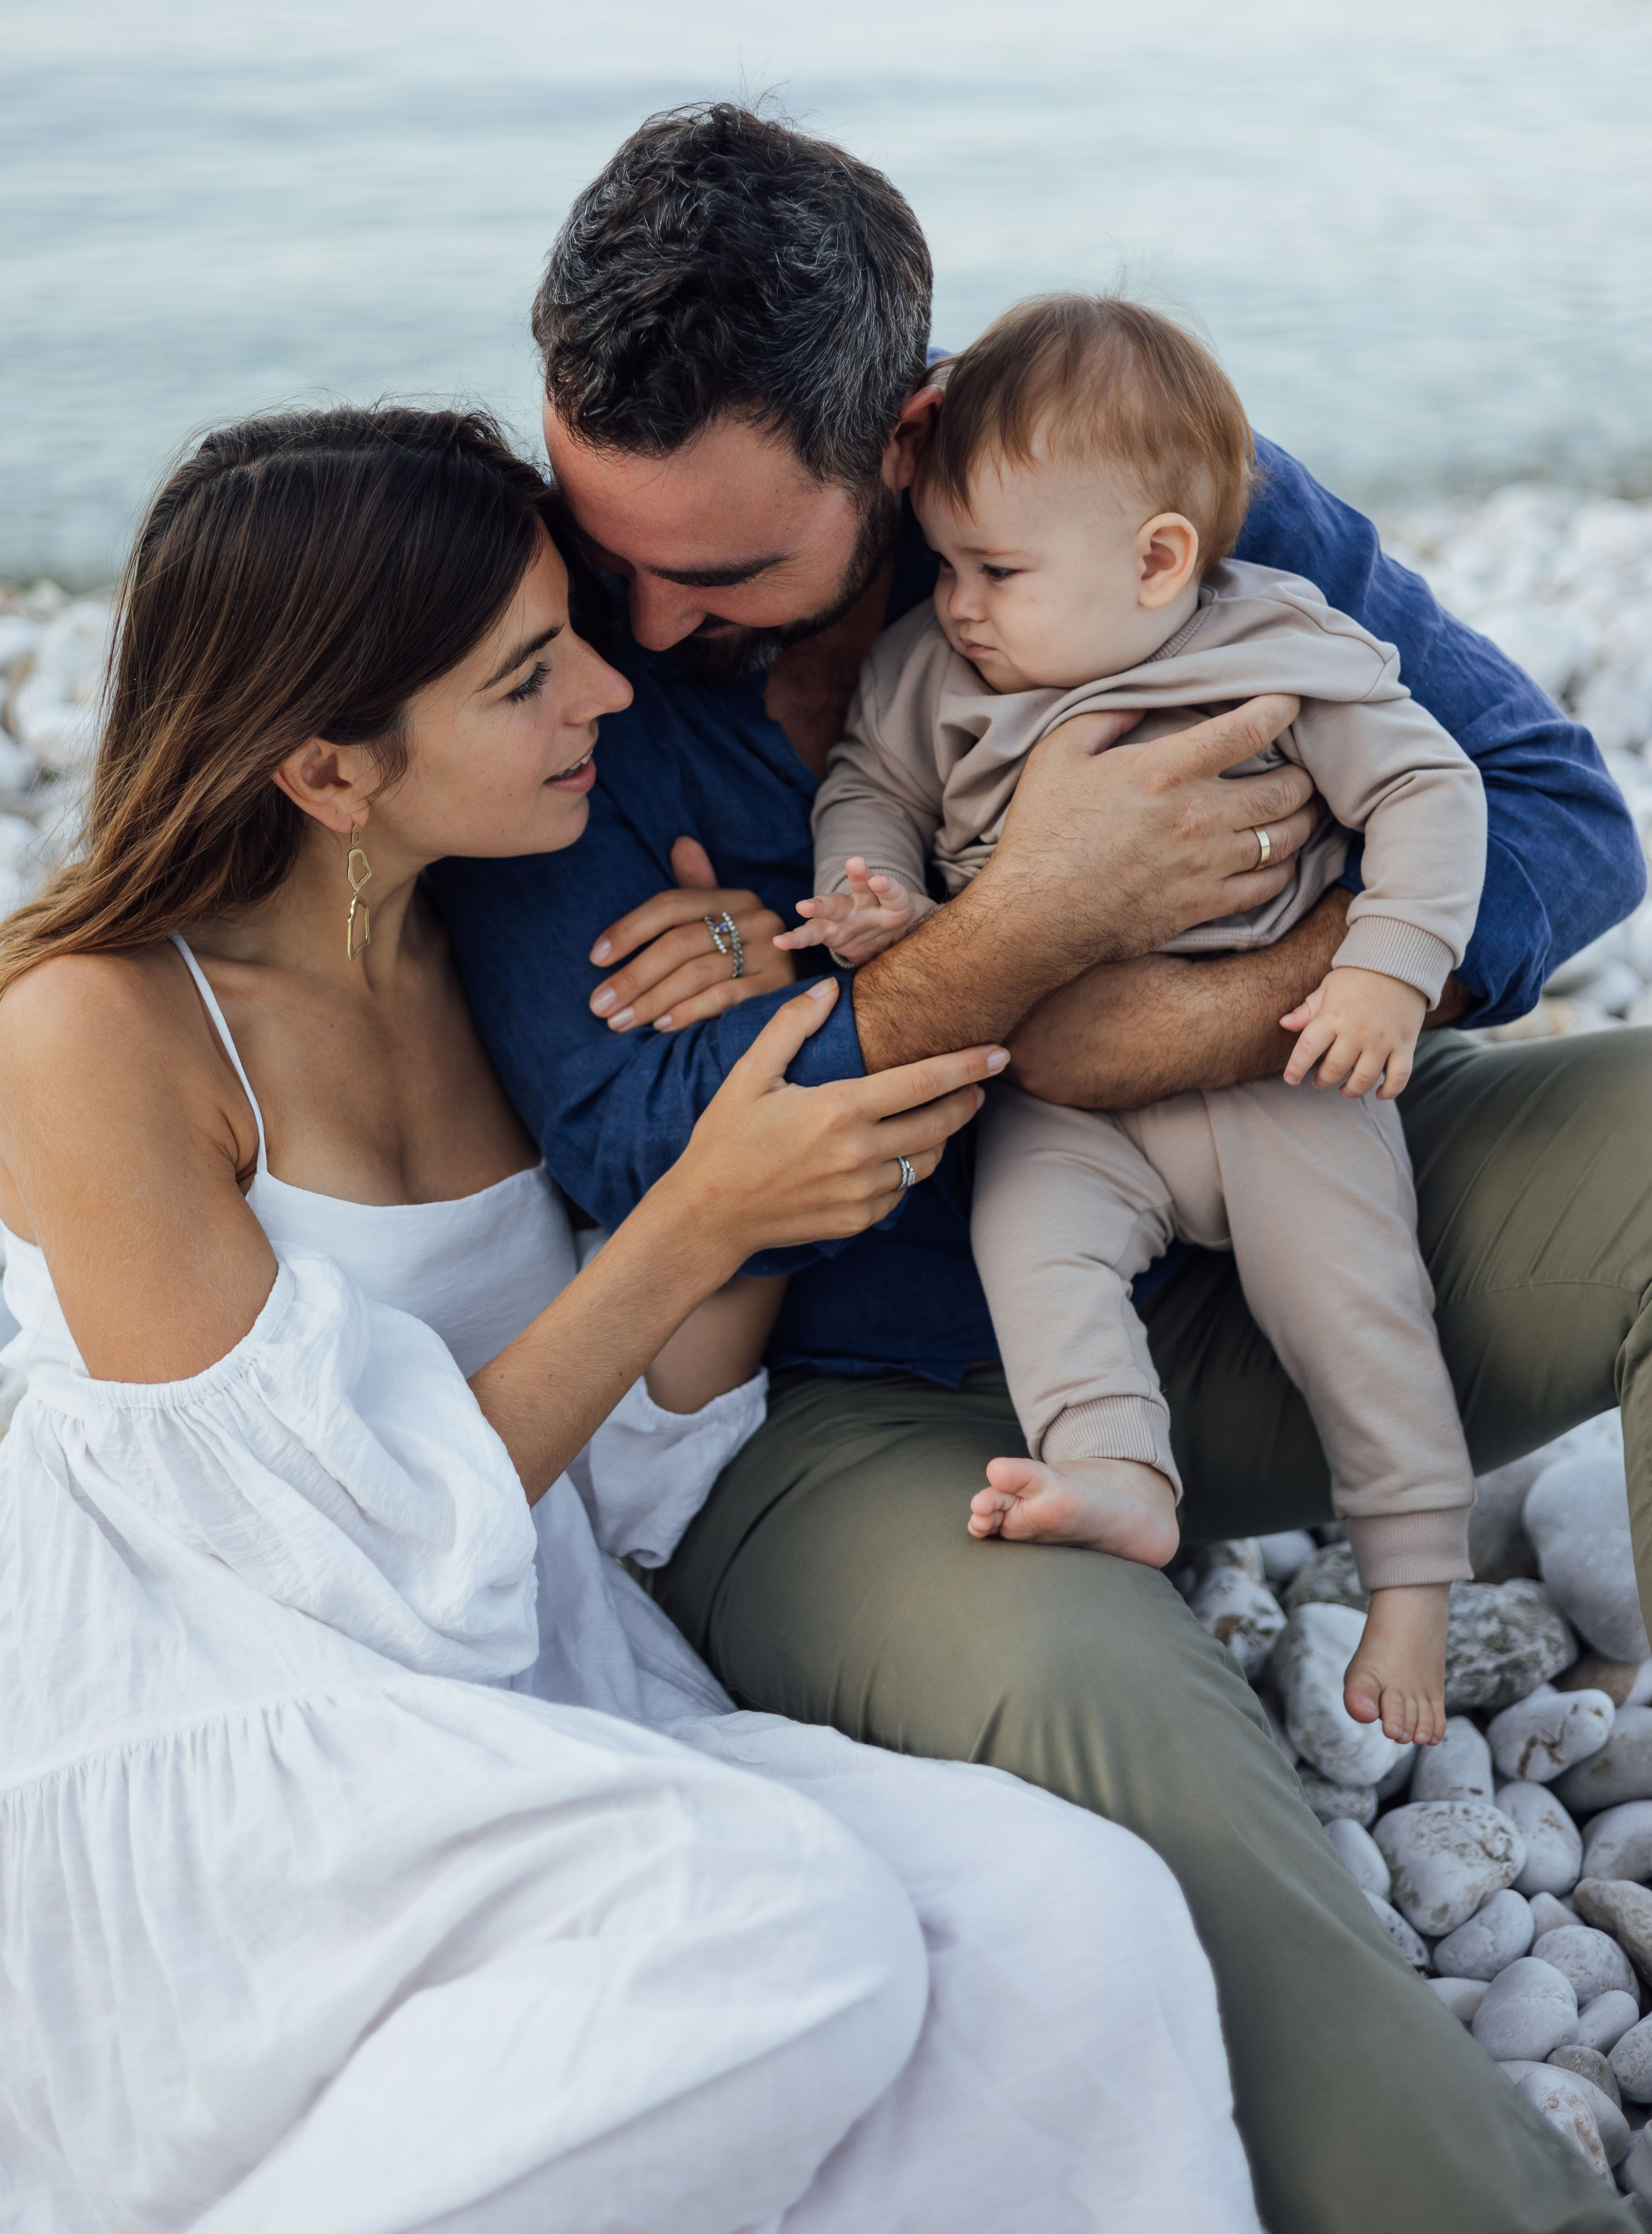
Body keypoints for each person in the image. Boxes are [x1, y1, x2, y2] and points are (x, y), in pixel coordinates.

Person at [428, 102, 1652, 2234]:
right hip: (859, 1419)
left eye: (711, 572)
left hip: (1270, 1225)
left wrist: (1152, 1000)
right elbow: (645, 1152)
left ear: (902, 441)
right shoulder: (532, 642)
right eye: (598, 538)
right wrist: (1029, 924)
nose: (620, 624)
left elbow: (1559, 820)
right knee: (1165, 1793)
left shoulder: (1133, 483)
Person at [0, 405, 1267, 2233]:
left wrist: (757, 1099)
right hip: (228, 1716)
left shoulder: (500, 952)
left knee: (1074, 1917)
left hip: (541, 1668)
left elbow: (646, 1472)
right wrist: (690, 1224)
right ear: (332, 775)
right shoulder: (91, 1031)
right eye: (530, 676)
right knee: (781, 1925)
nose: (608, 687)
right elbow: (313, 1555)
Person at [785, 290, 1487, 1751]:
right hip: (1065, 1107)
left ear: (1157, 559)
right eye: (945, 565)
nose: (958, 601)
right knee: (1031, 1257)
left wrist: (1381, 971)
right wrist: (864, 884)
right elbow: (867, 781)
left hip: (1280, 1076)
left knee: (1354, 1300)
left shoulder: (1276, 642)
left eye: (995, 569)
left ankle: (1412, 1568)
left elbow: (1431, 789)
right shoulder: (934, 671)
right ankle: (1120, 1476)